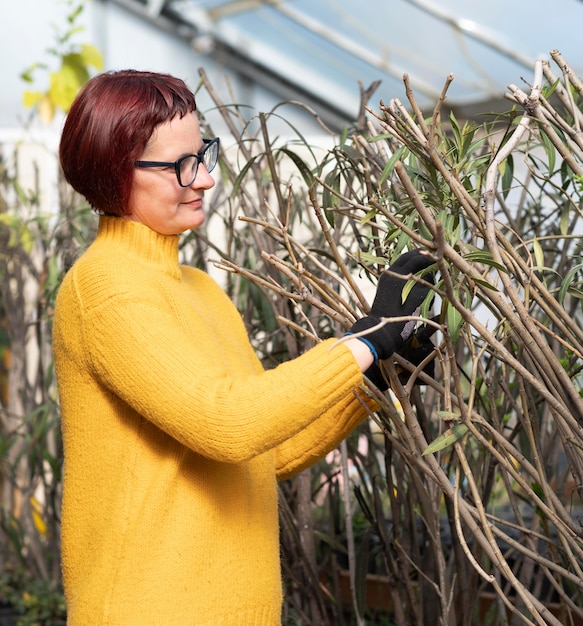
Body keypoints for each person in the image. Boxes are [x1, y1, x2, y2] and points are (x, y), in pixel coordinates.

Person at [53, 69, 434, 625]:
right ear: (117, 172)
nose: (205, 178)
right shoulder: (104, 288)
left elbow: (264, 450)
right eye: (182, 164)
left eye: (203, 153)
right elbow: (227, 423)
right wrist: (362, 342)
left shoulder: (201, 291)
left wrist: (372, 382)